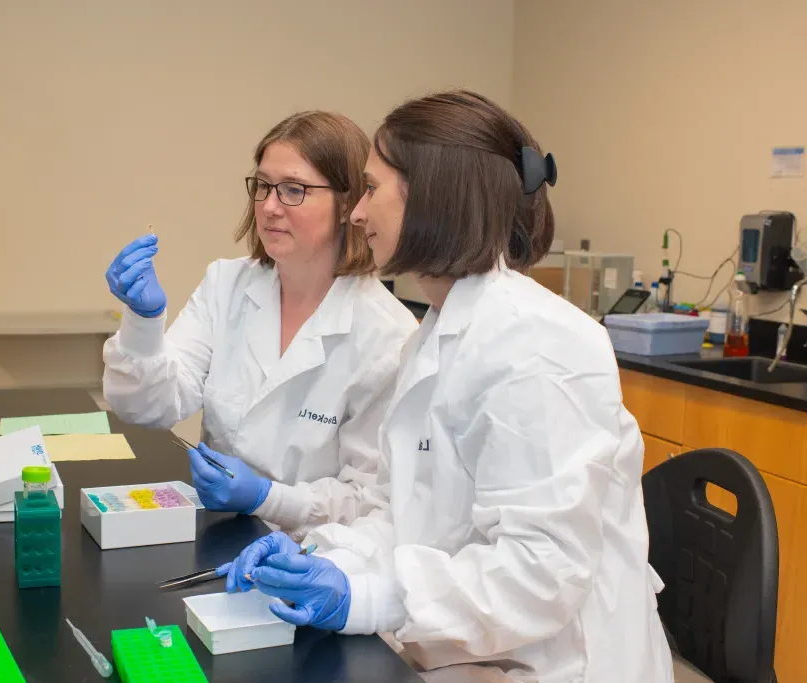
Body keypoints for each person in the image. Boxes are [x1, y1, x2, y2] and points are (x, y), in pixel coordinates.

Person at [221, 91, 674, 683]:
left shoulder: (537, 347)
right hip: (466, 651)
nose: (356, 214)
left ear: (435, 199)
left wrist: (365, 598)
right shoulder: (432, 335)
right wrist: (319, 554)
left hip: (557, 664)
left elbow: (539, 575)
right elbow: (398, 510)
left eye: (372, 190)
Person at [102, 111, 418, 537]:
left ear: (348, 205)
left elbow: (366, 498)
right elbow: (149, 406)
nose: (269, 207)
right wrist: (143, 322)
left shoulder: (387, 334)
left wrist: (267, 497)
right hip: (216, 534)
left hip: (308, 558)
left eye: (294, 190)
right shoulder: (228, 284)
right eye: (264, 186)